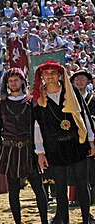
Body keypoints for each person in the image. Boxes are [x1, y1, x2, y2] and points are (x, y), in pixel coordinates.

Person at [33, 60, 95, 224]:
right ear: (42, 76)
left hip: (77, 145)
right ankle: (64, 221)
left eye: (53, 72)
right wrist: (40, 152)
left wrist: (91, 140)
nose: (50, 76)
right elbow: (37, 127)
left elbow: (84, 117)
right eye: (47, 73)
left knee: (83, 184)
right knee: (60, 188)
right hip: (54, 149)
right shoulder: (39, 98)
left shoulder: (71, 91)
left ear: (60, 74)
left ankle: (86, 220)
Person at [0, 68, 48, 224]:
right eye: (10, 80)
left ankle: (44, 221)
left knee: (39, 189)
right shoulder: (0, 105)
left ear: (22, 81)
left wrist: (42, 151)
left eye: (16, 79)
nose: (13, 82)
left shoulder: (32, 102)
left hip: (30, 150)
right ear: (7, 83)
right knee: (13, 191)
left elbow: (41, 127)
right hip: (10, 151)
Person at [70, 70, 95, 203]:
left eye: (82, 79)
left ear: (88, 81)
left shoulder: (92, 99)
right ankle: (76, 197)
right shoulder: (68, 99)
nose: (79, 81)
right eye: (77, 79)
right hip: (74, 137)